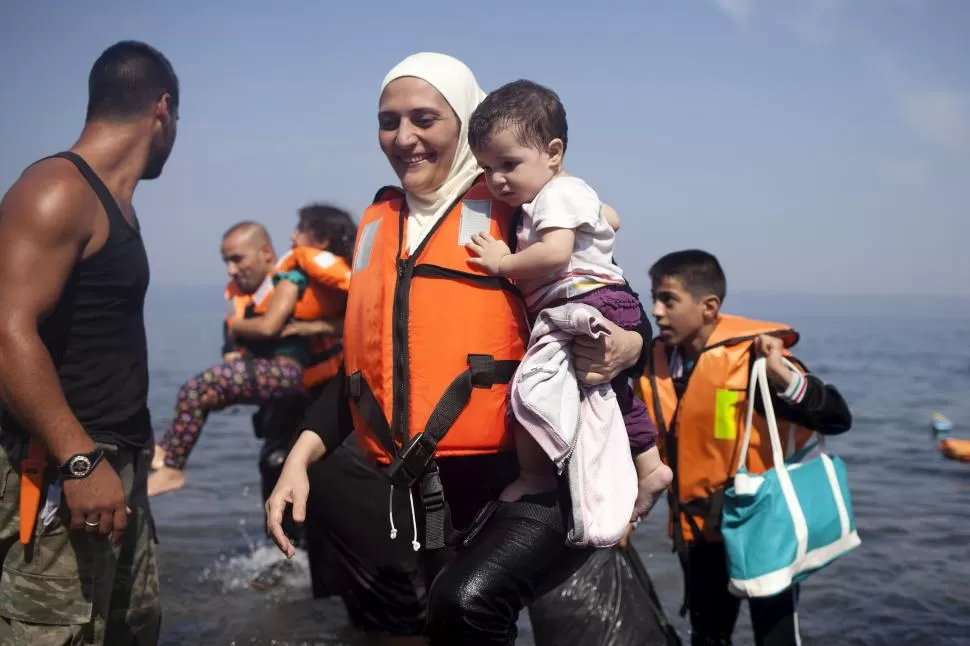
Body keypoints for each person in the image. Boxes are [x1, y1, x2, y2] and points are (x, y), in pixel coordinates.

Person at [265, 52, 652, 645]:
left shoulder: (515, 203)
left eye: (425, 118)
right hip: (429, 487)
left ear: (466, 121)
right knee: (446, 624)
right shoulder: (381, 224)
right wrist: (299, 459)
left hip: (534, 476)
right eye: (388, 121)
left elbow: (610, 297)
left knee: (466, 602)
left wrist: (629, 344)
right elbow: (368, 372)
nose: (404, 138)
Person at [0, 40, 178, 645]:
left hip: (116, 465)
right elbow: (6, 330)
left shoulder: (119, 205)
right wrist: (78, 458)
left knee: (131, 627)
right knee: (55, 635)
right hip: (59, 469)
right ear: (163, 109)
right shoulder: (57, 189)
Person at [464, 78, 672, 520]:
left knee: (529, 388)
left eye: (508, 164)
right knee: (613, 392)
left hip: (588, 301)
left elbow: (556, 252)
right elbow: (611, 219)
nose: (496, 180)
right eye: (485, 168)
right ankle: (649, 464)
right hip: (605, 299)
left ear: (553, 153)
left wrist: (503, 262)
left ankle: (538, 478)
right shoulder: (566, 190)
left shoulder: (555, 195)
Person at [636, 249, 853, 646]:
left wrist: (786, 380)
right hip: (697, 533)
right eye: (654, 298)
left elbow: (837, 418)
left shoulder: (755, 359)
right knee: (707, 636)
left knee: (775, 637)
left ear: (709, 307)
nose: (656, 311)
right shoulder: (652, 364)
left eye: (668, 299)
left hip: (761, 527)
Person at [148, 207, 354, 496]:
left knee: (193, 389)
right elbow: (236, 367)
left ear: (267, 254)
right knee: (202, 395)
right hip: (279, 405)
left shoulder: (292, 280)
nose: (231, 270)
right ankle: (169, 455)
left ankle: (171, 463)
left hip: (312, 396)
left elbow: (273, 328)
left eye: (237, 259)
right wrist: (219, 394)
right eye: (226, 262)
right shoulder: (245, 305)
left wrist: (240, 329)